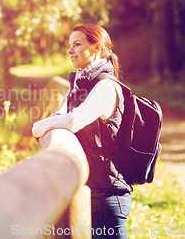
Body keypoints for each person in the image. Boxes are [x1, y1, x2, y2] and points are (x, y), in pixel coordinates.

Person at [32, 24, 131, 239]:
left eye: (77, 44)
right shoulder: (81, 84)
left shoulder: (105, 86)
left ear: (97, 49)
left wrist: (41, 126)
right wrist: (52, 122)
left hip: (107, 196)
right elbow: (61, 116)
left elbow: (75, 120)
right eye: (69, 45)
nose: (70, 50)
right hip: (94, 191)